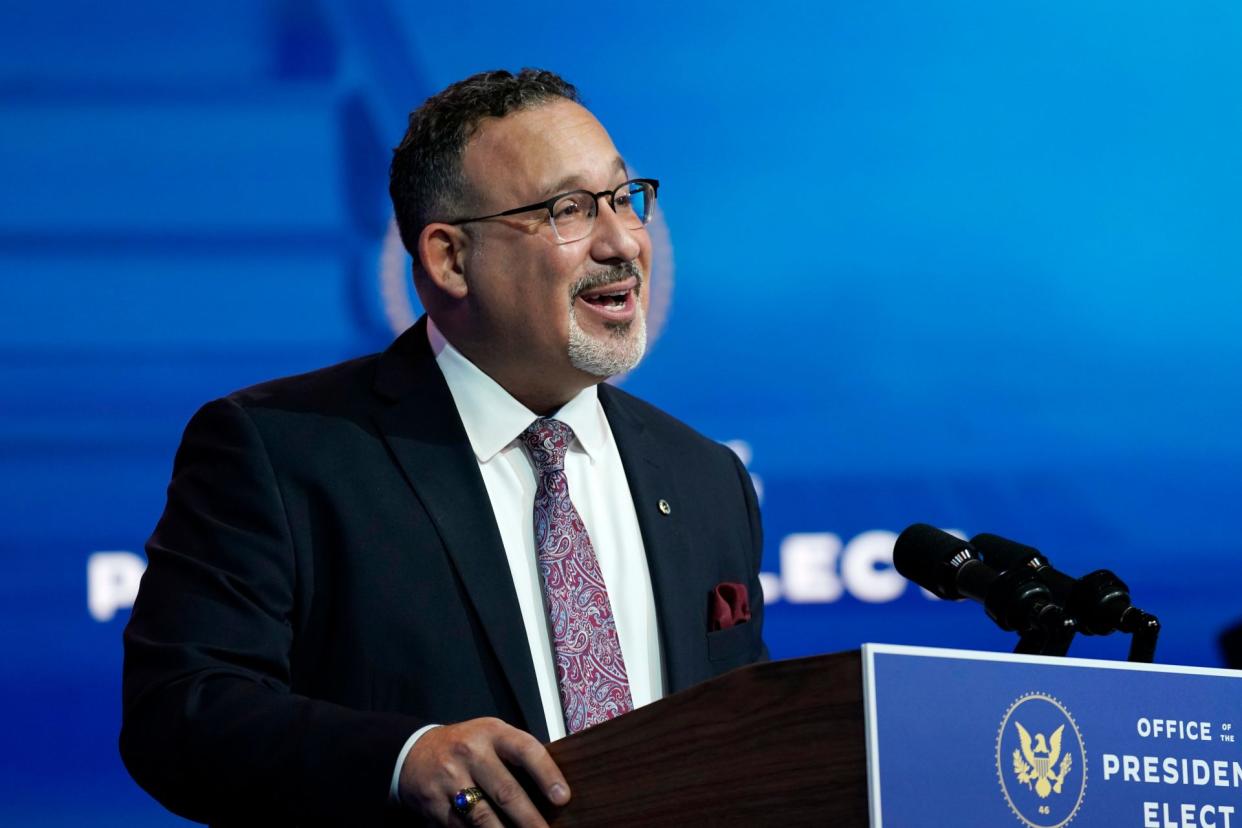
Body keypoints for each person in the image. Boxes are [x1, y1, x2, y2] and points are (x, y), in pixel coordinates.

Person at [121, 68, 767, 827]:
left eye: (626, 198)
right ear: (449, 259)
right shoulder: (282, 451)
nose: (624, 239)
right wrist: (402, 761)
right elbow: (181, 712)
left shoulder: (705, 477)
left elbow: (741, 744)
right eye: (569, 210)